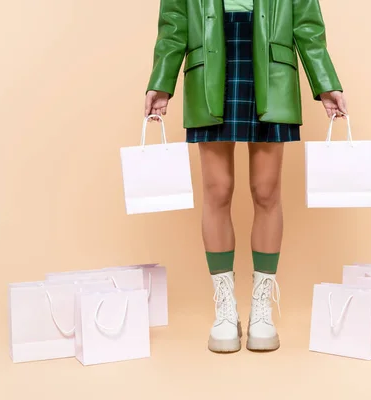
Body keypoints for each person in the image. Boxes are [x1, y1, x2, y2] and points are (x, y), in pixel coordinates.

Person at [144, 0, 346, 353]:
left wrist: (325, 82)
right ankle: (225, 309)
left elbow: (307, 25)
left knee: (266, 191)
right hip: (210, 62)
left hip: (271, 65)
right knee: (217, 190)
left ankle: (261, 308)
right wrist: (162, 81)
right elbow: (175, 21)